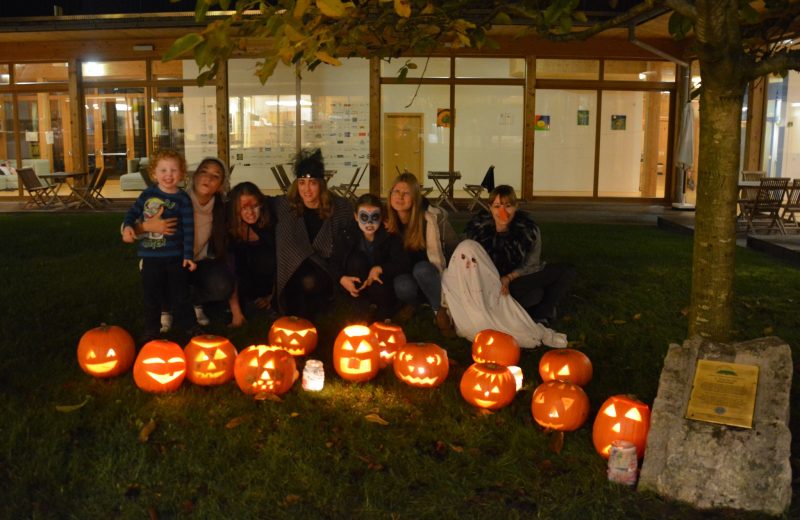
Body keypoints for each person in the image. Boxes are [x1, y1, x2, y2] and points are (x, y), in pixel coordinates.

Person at [136, 157, 235, 331]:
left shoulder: (221, 210)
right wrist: (145, 226)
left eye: (215, 176)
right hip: (165, 259)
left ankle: (194, 303)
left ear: (220, 185)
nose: (208, 178)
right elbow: (127, 228)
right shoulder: (172, 199)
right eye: (203, 171)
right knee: (164, 270)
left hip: (196, 263)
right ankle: (165, 309)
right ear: (193, 176)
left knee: (221, 284)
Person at [464, 184, 577, 325]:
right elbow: (468, 264)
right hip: (488, 287)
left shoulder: (529, 231)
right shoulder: (477, 231)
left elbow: (531, 264)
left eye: (508, 206)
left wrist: (509, 278)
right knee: (535, 295)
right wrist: (495, 280)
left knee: (566, 272)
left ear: (516, 207)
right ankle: (522, 309)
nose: (503, 211)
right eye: (497, 206)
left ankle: (541, 313)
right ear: (490, 208)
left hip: (516, 282)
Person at [122, 149, 198, 344]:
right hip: (151, 258)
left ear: (181, 173)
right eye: (163, 170)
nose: (168, 175)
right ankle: (151, 329)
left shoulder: (183, 199)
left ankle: (190, 327)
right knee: (151, 296)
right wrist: (129, 227)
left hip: (175, 256)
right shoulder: (147, 194)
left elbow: (189, 228)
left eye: (174, 170)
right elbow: (131, 214)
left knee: (181, 295)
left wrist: (188, 255)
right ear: (154, 173)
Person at [273, 148, 352, 319]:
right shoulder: (286, 206)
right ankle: (294, 319)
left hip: (325, 268)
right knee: (297, 273)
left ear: (321, 185)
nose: (306, 189)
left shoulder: (339, 208)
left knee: (309, 280)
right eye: (302, 182)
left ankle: (307, 318)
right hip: (295, 267)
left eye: (312, 183)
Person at [385, 172, 458, 332]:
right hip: (406, 275)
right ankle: (412, 304)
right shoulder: (386, 221)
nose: (400, 197)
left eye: (406, 193)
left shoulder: (429, 220)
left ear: (415, 198)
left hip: (431, 277)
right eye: (396, 192)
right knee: (402, 284)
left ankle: (438, 309)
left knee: (422, 269)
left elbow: (453, 247)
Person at [332, 193, 409, 321]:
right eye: (364, 217)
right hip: (355, 282)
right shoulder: (346, 235)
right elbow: (334, 262)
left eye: (374, 217)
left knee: (381, 291)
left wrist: (381, 268)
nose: (369, 222)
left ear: (382, 217)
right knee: (357, 260)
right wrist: (341, 278)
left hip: (380, 283)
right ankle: (361, 304)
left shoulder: (390, 235)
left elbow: (403, 262)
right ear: (356, 217)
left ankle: (382, 310)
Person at [226, 181, 276, 327]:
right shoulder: (230, 229)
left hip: (268, 285)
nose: (250, 212)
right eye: (244, 208)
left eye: (254, 206)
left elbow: (282, 261)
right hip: (240, 286)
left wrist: (271, 297)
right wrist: (236, 313)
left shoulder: (270, 226)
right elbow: (230, 269)